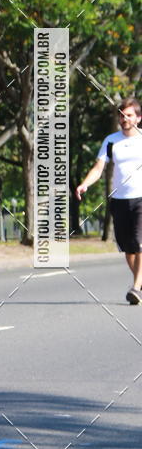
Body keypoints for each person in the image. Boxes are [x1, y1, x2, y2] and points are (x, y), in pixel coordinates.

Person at [76, 98, 142, 304]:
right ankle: (139, 284)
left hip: (141, 198)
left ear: (138, 118)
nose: (124, 119)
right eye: (121, 115)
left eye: (129, 115)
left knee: (140, 243)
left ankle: (136, 287)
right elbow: (98, 168)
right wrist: (84, 184)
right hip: (120, 200)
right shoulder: (111, 141)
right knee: (127, 247)